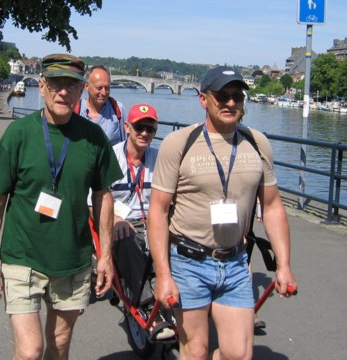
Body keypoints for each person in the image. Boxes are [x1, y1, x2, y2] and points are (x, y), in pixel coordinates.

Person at [0, 53, 124, 360]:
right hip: (22, 258)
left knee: (58, 348)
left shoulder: (94, 137)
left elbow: (103, 197)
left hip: (72, 261)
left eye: (71, 86)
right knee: (30, 351)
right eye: (56, 84)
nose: (63, 92)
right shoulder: (19, 134)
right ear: (41, 86)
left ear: (81, 90)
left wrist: (106, 256)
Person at [147, 65, 297, 360]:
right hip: (189, 260)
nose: (230, 103)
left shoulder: (257, 143)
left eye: (237, 96)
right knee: (196, 350)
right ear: (203, 99)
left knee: (237, 354)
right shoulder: (180, 143)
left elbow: (272, 206)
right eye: (222, 96)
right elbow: (158, 210)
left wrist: (283, 265)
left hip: (236, 262)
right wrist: (163, 274)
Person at [108, 103, 174, 340]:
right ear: (127, 127)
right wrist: (114, 218)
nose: (145, 133)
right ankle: (147, 305)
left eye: (150, 128)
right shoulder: (111, 157)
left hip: (153, 222)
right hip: (122, 222)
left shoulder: (161, 158)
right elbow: (94, 201)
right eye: (139, 127)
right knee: (125, 238)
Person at [76, 65, 126, 145]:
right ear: (86, 86)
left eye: (107, 88)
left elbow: (124, 144)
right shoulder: (75, 110)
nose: (103, 92)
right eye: (99, 88)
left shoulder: (118, 109)